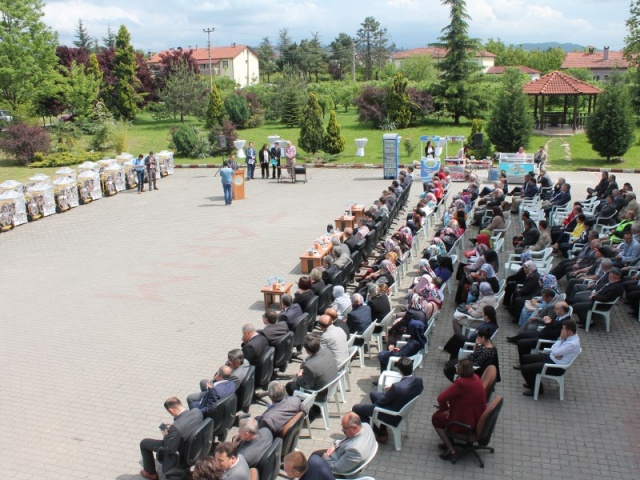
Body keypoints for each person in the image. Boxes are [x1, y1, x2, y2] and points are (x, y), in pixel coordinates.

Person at [352, 356, 424, 441]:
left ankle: (379, 433)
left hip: (392, 414)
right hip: (403, 407)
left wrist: (392, 390)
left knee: (356, 408)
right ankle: (382, 426)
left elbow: (383, 401)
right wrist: (393, 389)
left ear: (399, 370)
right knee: (373, 394)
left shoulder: (397, 387)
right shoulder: (419, 380)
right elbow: (406, 388)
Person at [432, 358, 486, 460]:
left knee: (436, 418)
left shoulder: (461, 383)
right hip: (476, 417)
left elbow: (441, 398)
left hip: (465, 423)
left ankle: (450, 449)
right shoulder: (476, 377)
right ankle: (449, 441)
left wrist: (444, 409)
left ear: (460, 370)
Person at [139, 397, 204, 480]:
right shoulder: (197, 412)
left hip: (182, 454)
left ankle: (150, 473)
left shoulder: (176, 428)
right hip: (197, 448)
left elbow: (169, 449)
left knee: (144, 443)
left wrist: (166, 435)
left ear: (171, 410)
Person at [520, 319, 581, 396]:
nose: (562, 330)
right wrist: (556, 352)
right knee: (525, 358)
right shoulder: (570, 336)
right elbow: (553, 349)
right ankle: (532, 382)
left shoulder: (572, 344)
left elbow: (555, 351)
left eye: (563, 329)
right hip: (552, 358)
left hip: (555, 366)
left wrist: (560, 340)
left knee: (525, 369)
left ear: (569, 331)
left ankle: (538, 389)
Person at [286, 334, 338, 402]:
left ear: (307, 350)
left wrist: (299, 377)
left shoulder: (309, 366)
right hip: (331, 387)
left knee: (289, 386)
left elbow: (307, 385)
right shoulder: (327, 351)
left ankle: (306, 408)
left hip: (319, 394)